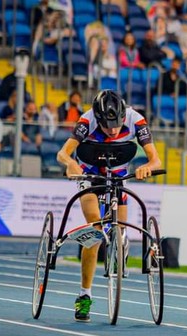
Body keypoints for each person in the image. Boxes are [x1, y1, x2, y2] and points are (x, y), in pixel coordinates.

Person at [56, 90, 162, 322]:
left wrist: (148, 167)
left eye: (117, 124)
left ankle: (120, 242)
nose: (113, 130)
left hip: (118, 173)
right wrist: (71, 163)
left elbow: (156, 159)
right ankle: (85, 295)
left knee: (121, 228)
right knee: (94, 231)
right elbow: (62, 153)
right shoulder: (87, 120)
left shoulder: (136, 120)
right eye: (107, 126)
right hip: (90, 173)